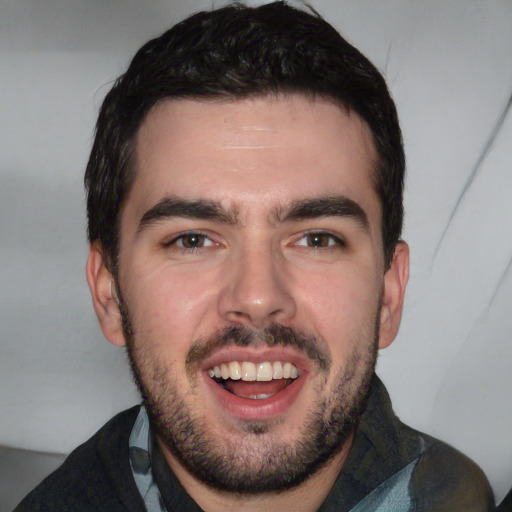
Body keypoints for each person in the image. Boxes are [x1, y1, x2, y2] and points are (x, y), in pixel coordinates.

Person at [15, 2, 496, 511]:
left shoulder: (459, 494)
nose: (259, 297)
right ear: (110, 294)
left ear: (388, 296)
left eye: (317, 239)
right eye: (192, 240)